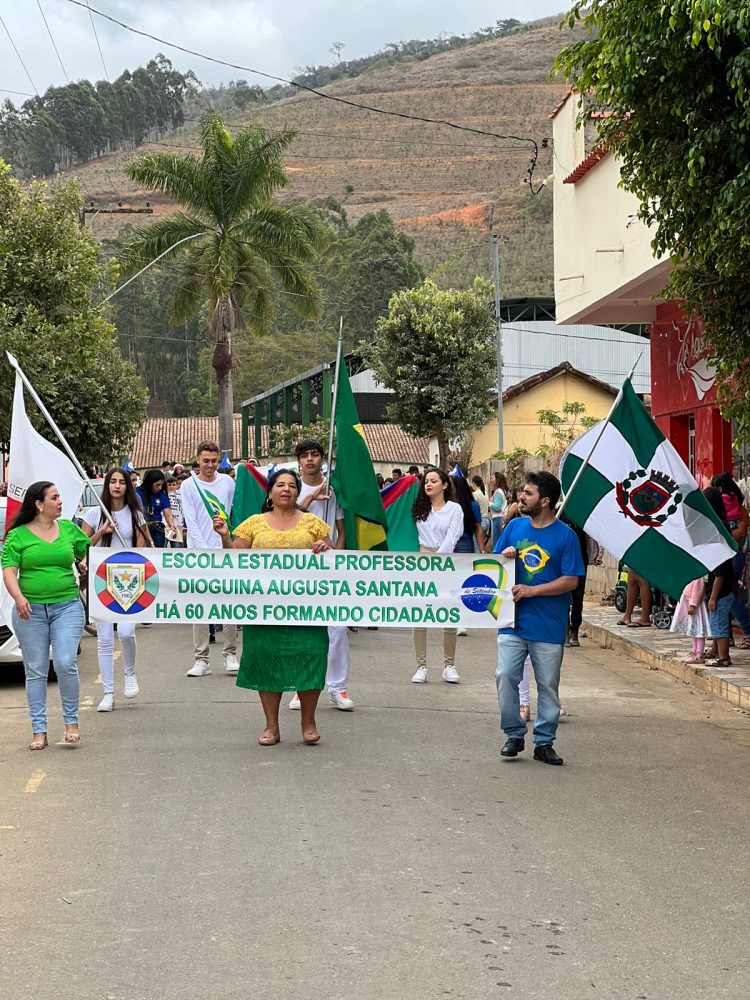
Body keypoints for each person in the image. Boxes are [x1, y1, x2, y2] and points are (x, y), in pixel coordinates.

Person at [213, 469, 333, 745]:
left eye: (292, 485)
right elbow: (236, 560)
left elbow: (333, 560)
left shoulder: (313, 522)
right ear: (269, 492)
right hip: (264, 609)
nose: (286, 490)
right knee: (266, 659)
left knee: (311, 656)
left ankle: (309, 722)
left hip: (307, 609)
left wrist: (323, 548)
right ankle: (271, 726)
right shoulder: (253, 524)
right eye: (280, 485)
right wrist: (224, 537)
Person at [494, 471, 584, 766]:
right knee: (505, 674)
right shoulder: (514, 527)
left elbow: (571, 581)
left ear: (544, 501)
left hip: (549, 624)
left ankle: (544, 741)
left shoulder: (566, 536)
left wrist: (533, 590)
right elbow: (491, 565)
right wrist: (505, 556)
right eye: (522, 491)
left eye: (528, 493)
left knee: (548, 685)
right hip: (512, 622)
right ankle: (514, 733)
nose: (521, 496)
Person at [1, 481, 90, 749]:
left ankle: (71, 723)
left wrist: (85, 562)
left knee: (64, 662)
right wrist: (18, 597)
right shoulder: (18, 536)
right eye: (55, 497)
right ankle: (39, 730)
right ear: (39, 504)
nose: (61, 501)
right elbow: (8, 570)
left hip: (67, 607)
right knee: (36, 670)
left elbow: (90, 553)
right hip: (30, 613)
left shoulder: (69, 529)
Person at [291, 438, 354, 711]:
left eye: (315, 454)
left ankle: (338, 687)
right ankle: (299, 686)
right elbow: (285, 516)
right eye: (304, 456)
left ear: (321, 459)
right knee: (300, 628)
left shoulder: (334, 490)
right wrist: (310, 497)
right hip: (297, 567)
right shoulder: (291, 487)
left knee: (337, 627)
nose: (310, 460)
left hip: (328, 565)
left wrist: (335, 556)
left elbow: (342, 529)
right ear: (299, 461)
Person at [80, 468, 150, 711]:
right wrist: (103, 531)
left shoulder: (136, 515)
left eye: (121, 482)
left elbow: (143, 549)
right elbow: (80, 546)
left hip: (130, 580)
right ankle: (108, 693)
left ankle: (130, 673)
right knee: (105, 638)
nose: (117, 485)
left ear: (127, 487)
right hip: (102, 581)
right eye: (113, 481)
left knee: (127, 632)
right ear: (107, 485)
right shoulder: (94, 513)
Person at [180, 441, 239, 676]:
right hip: (199, 552)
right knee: (200, 605)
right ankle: (201, 659)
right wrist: (204, 550)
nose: (210, 465)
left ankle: (230, 654)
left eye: (214, 461)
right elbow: (190, 520)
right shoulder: (188, 485)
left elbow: (232, 511)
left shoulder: (228, 482)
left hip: (224, 548)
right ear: (198, 460)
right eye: (206, 461)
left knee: (229, 602)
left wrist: (224, 544)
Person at [410, 467, 464, 684]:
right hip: (422, 560)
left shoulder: (455, 509)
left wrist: (437, 562)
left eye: (433, 481)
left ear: (444, 484)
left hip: (446, 561)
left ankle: (449, 664)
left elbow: (453, 537)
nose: (428, 484)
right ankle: (420, 666)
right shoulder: (418, 509)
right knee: (419, 615)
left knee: (448, 614)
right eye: (425, 482)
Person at [713, 472, 750, 648]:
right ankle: (725, 636)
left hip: (732, 556)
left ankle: (748, 630)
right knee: (727, 596)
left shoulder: (740, 511)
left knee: (727, 596)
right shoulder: (730, 510)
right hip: (724, 554)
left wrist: (723, 533)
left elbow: (740, 533)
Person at [703, 486, 735, 667]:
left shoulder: (718, 533)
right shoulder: (721, 526)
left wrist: (713, 597)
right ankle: (716, 651)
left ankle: (724, 658)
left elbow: (720, 574)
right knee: (716, 623)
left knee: (719, 625)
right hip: (721, 588)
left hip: (720, 591)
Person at [671, 575, 710, 665]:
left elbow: (698, 591)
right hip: (689, 602)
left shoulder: (698, 577)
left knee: (698, 630)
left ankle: (699, 653)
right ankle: (695, 651)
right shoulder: (691, 575)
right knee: (694, 630)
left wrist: (693, 604)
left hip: (696, 606)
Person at [136, 469, 175, 549]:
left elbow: (167, 513)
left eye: (161, 485)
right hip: (141, 527)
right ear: (150, 483)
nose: (160, 488)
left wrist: (172, 526)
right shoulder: (137, 493)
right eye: (157, 485)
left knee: (157, 553)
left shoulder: (161, 494)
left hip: (157, 528)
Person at [489, 472, 509, 549]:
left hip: (498, 518)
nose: (491, 480)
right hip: (500, 517)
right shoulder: (502, 491)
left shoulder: (498, 491)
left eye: (492, 478)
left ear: (498, 480)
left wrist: (489, 503)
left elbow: (497, 507)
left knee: (496, 541)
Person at [166, 475, 185, 546]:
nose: (171, 487)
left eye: (174, 485)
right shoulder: (164, 495)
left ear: (177, 485)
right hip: (166, 525)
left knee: (177, 546)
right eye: (169, 485)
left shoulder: (181, 495)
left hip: (178, 524)